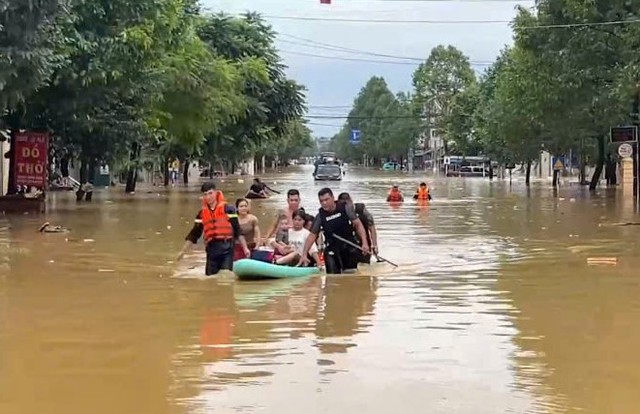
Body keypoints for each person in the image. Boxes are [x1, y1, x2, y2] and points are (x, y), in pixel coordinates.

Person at [177, 182, 250, 276]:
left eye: (210, 193)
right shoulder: (201, 214)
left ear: (216, 193)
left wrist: (245, 248)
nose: (208, 197)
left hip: (227, 248)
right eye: (205, 194)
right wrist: (182, 252)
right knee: (210, 278)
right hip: (211, 250)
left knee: (225, 276)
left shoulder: (228, 209)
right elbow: (194, 234)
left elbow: (237, 230)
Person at [298, 187, 370, 274]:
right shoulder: (320, 216)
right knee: (332, 278)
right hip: (332, 248)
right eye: (321, 201)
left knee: (350, 274)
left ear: (333, 198)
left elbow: (358, 225)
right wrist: (304, 253)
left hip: (348, 245)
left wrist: (364, 242)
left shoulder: (345, 208)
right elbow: (312, 235)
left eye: (326, 199)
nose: (324, 203)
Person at [337, 192, 379, 264]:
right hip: (348, 245)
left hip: (364, 245)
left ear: (351, 201)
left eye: (347, 204)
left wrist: (374, 245)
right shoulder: (338, 213)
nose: (346, 207)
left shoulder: (361, 210)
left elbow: (371, 227)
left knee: (364, 266)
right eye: (343, 205)